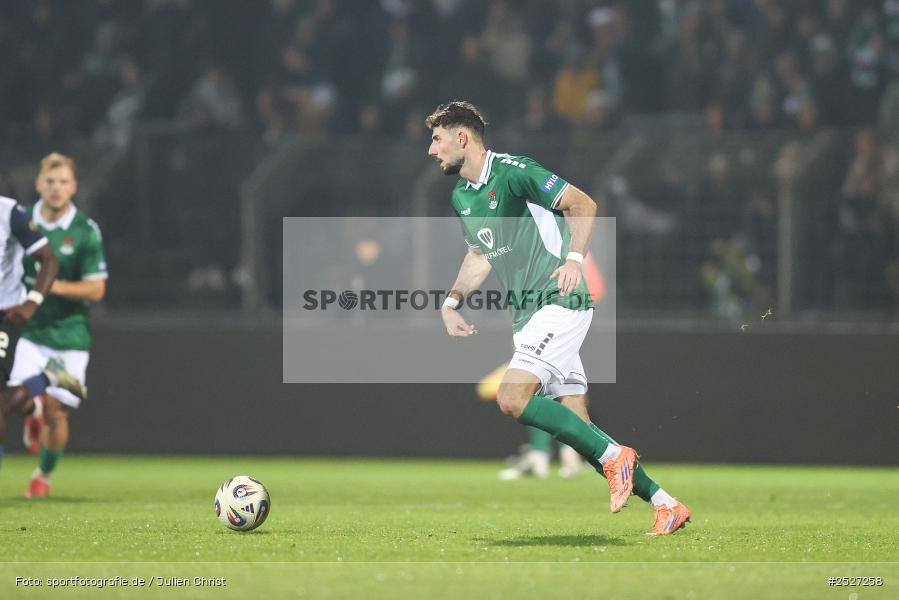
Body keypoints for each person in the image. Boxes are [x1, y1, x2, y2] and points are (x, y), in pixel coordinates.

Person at [426, 101, 690, 535]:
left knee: (511, 398)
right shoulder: (462, 196)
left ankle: (616, 458)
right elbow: (480, 254)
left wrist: (573, 259)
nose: (430, 151)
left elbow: (583, 204)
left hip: (558, 301)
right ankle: (666, 505)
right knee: (580, 428)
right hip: (528, 316)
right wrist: (452, 302)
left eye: (436, 140)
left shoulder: (515, 172)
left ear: (462, 138)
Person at [11, 153, 107, 499]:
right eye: (50, 182)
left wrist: (51, 286)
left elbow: (97, 288)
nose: (56, 188)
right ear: (39, 185)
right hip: (33, 333)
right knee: (18, 399)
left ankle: (43, 476)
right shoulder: (19, 222)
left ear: (74, 187)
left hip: (72, 337)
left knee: (57, 410)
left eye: (63, 182)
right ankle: (31, 413)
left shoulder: (85, 231)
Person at [0, 186, 86, 474]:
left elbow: (49, 259)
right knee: (9, 399)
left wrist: (31, 303)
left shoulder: (9, 213)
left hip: (5, 316)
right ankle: (46, 381)